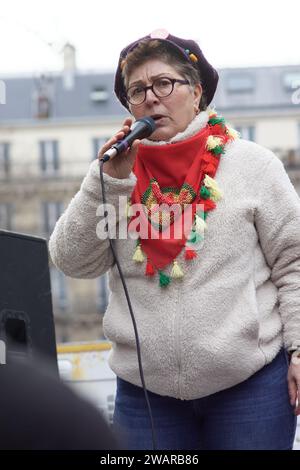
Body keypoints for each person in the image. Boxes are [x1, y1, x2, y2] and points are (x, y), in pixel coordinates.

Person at [49, 29, 300, 450]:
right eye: (137, 90)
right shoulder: (117, 174)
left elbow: (294, 261)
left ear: (198, 91)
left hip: (250, 389)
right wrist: (105, 183)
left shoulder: (252, 165)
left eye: (164, 83)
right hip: (147, 398)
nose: (150, 97)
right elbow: (73, 261)